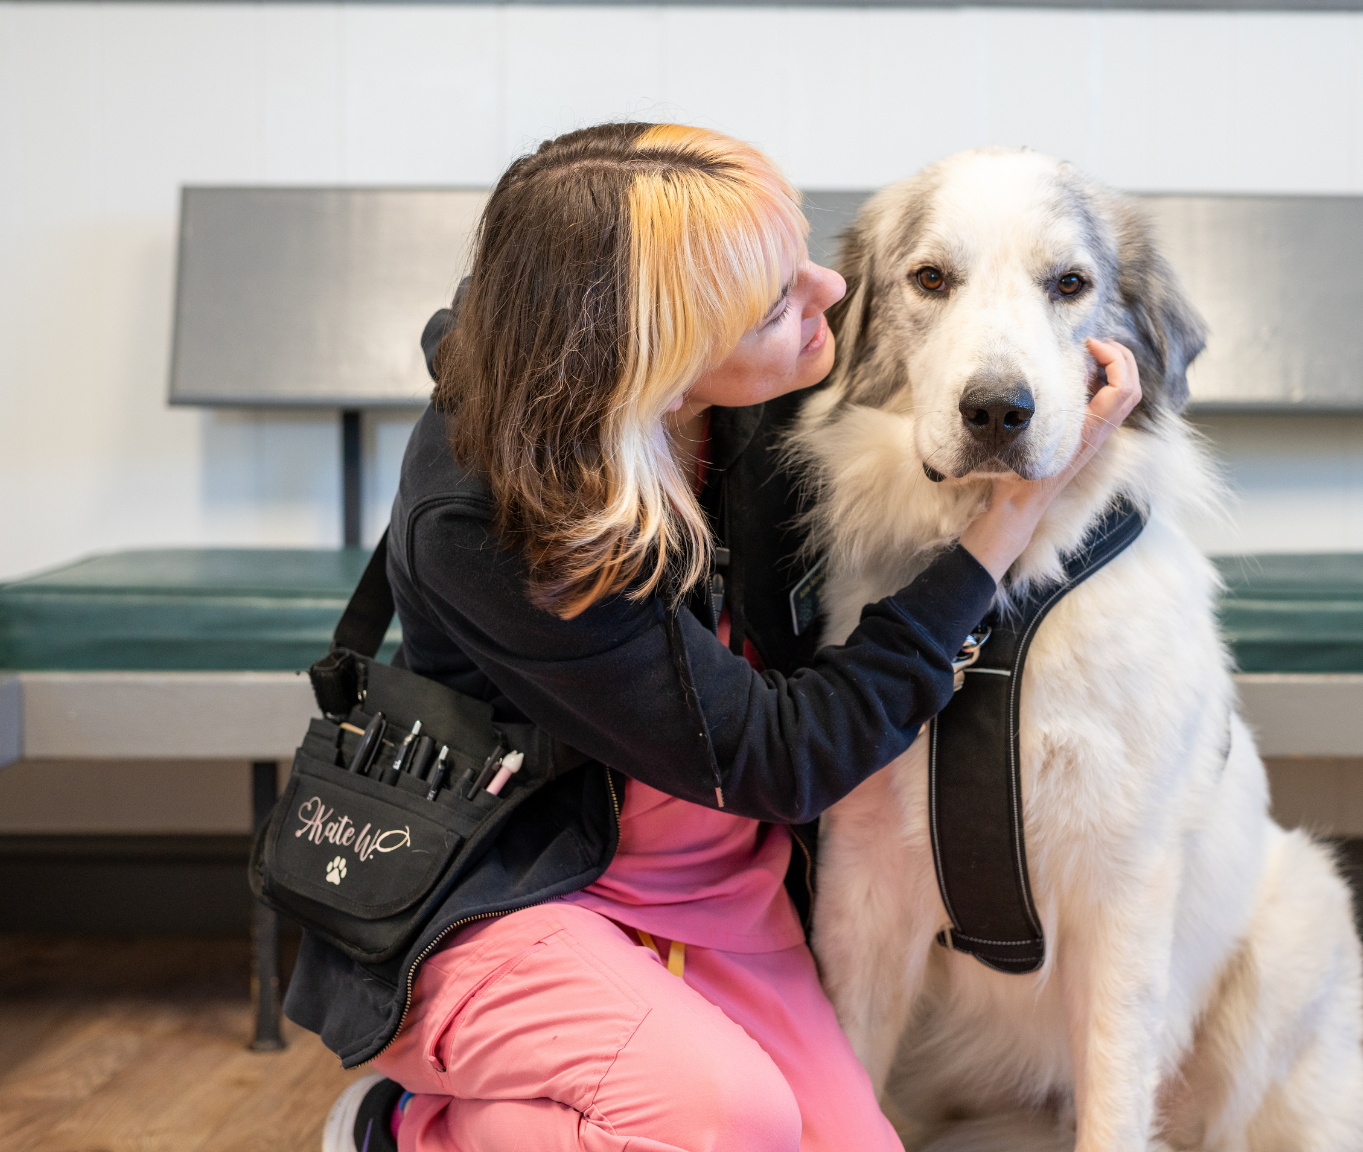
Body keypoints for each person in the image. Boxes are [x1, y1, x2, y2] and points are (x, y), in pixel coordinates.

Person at [305, 122, 1140, 1152]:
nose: (829, 291)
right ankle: (411, 1128)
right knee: (727, 1120)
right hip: (515, 886)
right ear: (656, 344)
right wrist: (1004, 522)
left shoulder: (747, 391)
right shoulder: (484, 517)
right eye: (776, 299)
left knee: (847, 1144)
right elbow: (783, 759)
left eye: (799, 257)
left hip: (715, 888)